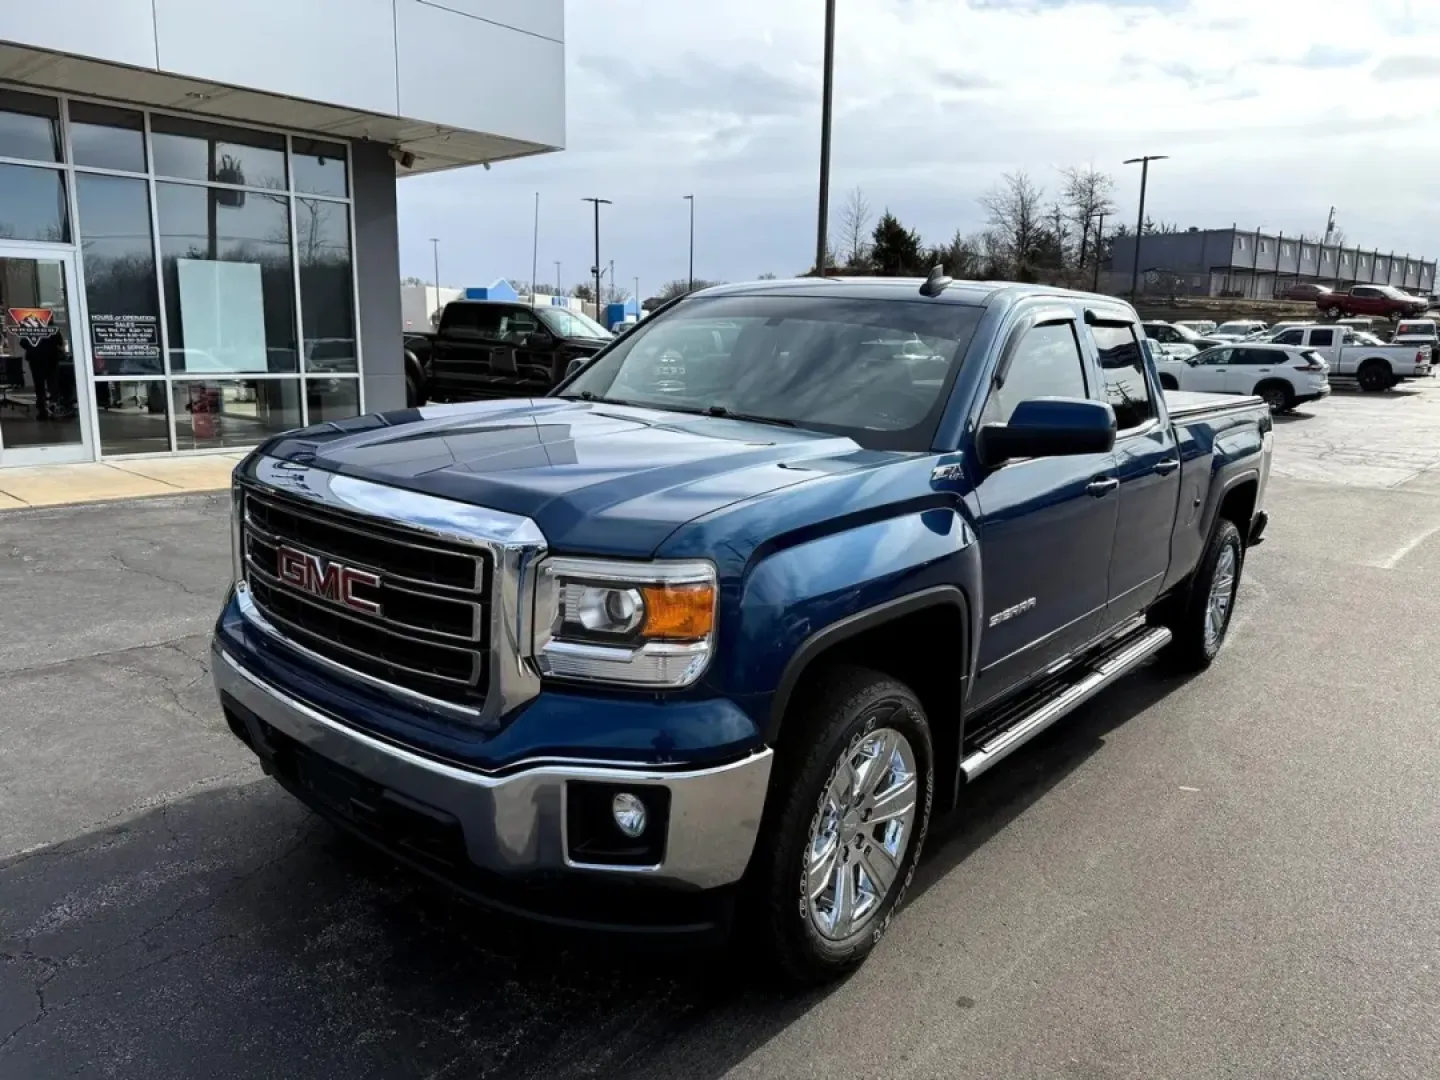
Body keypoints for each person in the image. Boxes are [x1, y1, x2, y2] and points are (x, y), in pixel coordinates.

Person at [22, 326, 66, 420]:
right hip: (51, 359)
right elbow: (60, 342)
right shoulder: (52, 329)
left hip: (36, 359)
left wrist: (33, 346)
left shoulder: (31, 329)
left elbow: (23, 342)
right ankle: (53, 408)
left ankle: (42, 411)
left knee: (39, 386)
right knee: (52, 384)